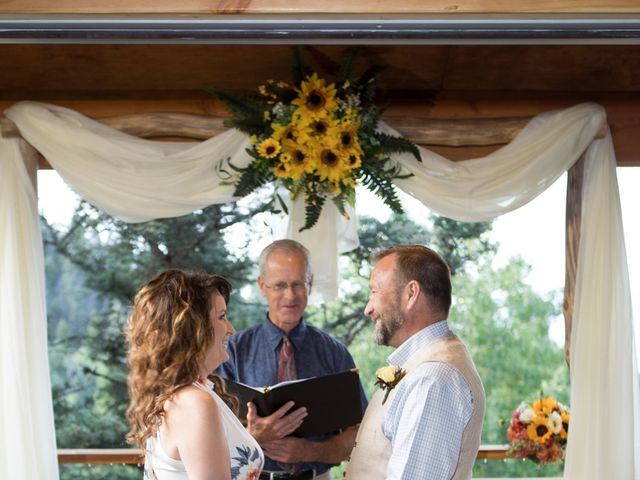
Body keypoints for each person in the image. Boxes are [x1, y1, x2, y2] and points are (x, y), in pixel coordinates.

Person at [217, 239, 367, 480]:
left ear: (310, 284)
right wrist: (251, 436)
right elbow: (211, 433)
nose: (290, 295)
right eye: (279, 285)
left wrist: (311, 451)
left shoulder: (335, 353)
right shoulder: (232, 352)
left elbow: (360, 435)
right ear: (262, 286)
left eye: (298, 284)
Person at [345, 245, 485, 480]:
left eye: (374, 292)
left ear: (411, 294)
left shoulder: (433, 378)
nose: (368, 309)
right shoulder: (425, 366)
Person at [126, 269, 277, 480]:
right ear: (193, 327)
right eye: (222, 317)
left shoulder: (187, 392)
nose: (231, 329)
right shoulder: (194, 402)